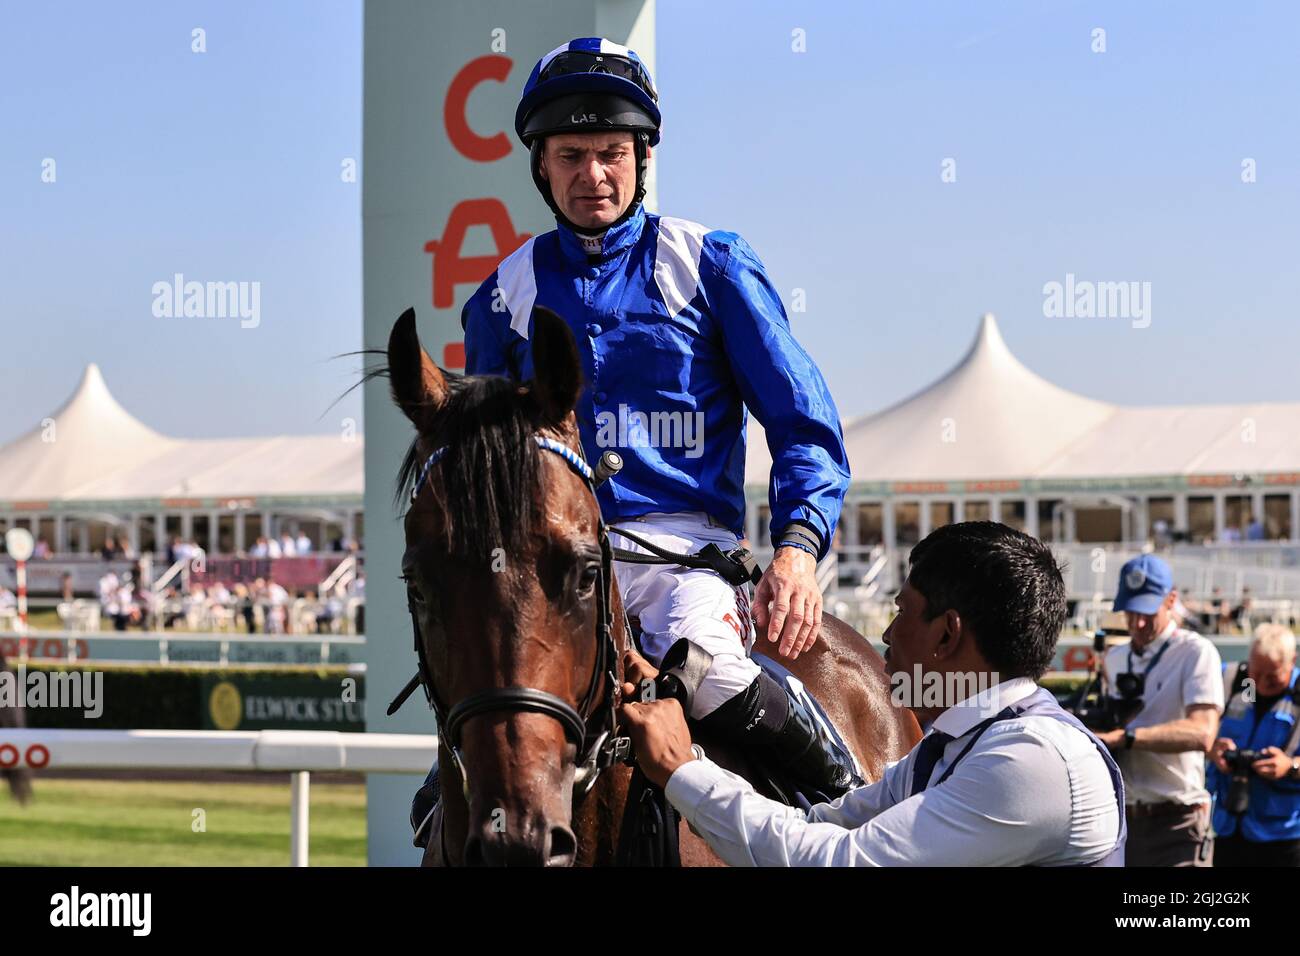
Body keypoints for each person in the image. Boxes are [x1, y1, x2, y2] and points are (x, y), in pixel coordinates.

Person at [456, 37, 854, 796]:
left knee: (710, 677)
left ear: (643, 155)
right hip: (554, 568)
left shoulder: (711, 264)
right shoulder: (502, 298)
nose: (593, 175)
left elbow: (802, 422)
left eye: (611, 152)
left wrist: (798, 549)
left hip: (684, 565)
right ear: (540, 165)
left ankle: (847, 797)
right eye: (571, 155)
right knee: (487, 701)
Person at [619, 522, 1125, 866]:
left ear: (947, 634)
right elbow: (814, 823)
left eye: (901, 613)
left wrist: (679, 768)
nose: (885, 637)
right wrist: (687, 748)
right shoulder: (949, 746)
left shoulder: (1030, 759)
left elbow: (836, 859)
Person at [1096, 554, 1223, 866]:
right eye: (1130, 612)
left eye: (1146, 612)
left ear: (1171, 600)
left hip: (1178, 820)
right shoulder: (1115, 657)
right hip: (1122, 820)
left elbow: (1202, 732)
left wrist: (1125, 738)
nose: (1137, 623)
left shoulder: (1196, 651)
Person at [1209, 624, 1300, 866]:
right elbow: (1196, 727)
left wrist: (1290, 766)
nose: (1261, 683)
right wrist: (1212, 748)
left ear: (1293, 661)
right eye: (1256, 672)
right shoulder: (1235, 682)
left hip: (1283, 836)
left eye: (1272, 676)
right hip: (1229, 826)